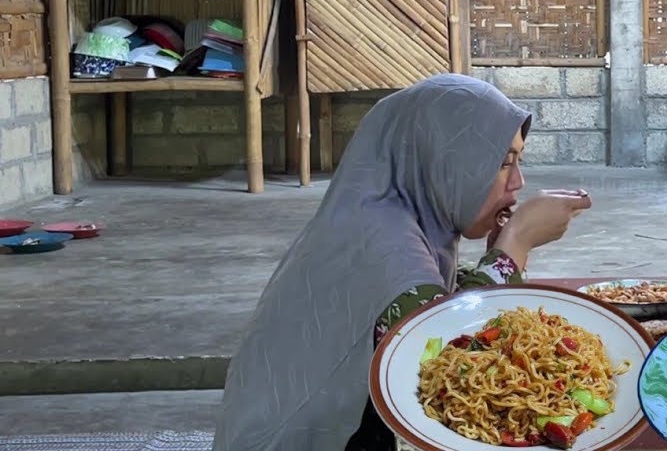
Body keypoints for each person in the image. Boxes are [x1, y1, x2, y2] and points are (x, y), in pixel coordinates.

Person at [214, 74, 592, 451]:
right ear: (438, 159)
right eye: (502, 163)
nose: (518, 183)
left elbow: (435, 308)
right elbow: (453, 371)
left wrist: (498, 254)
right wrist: (515, 246)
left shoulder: (395, 213)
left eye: (518, 161)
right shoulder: (378, 239)